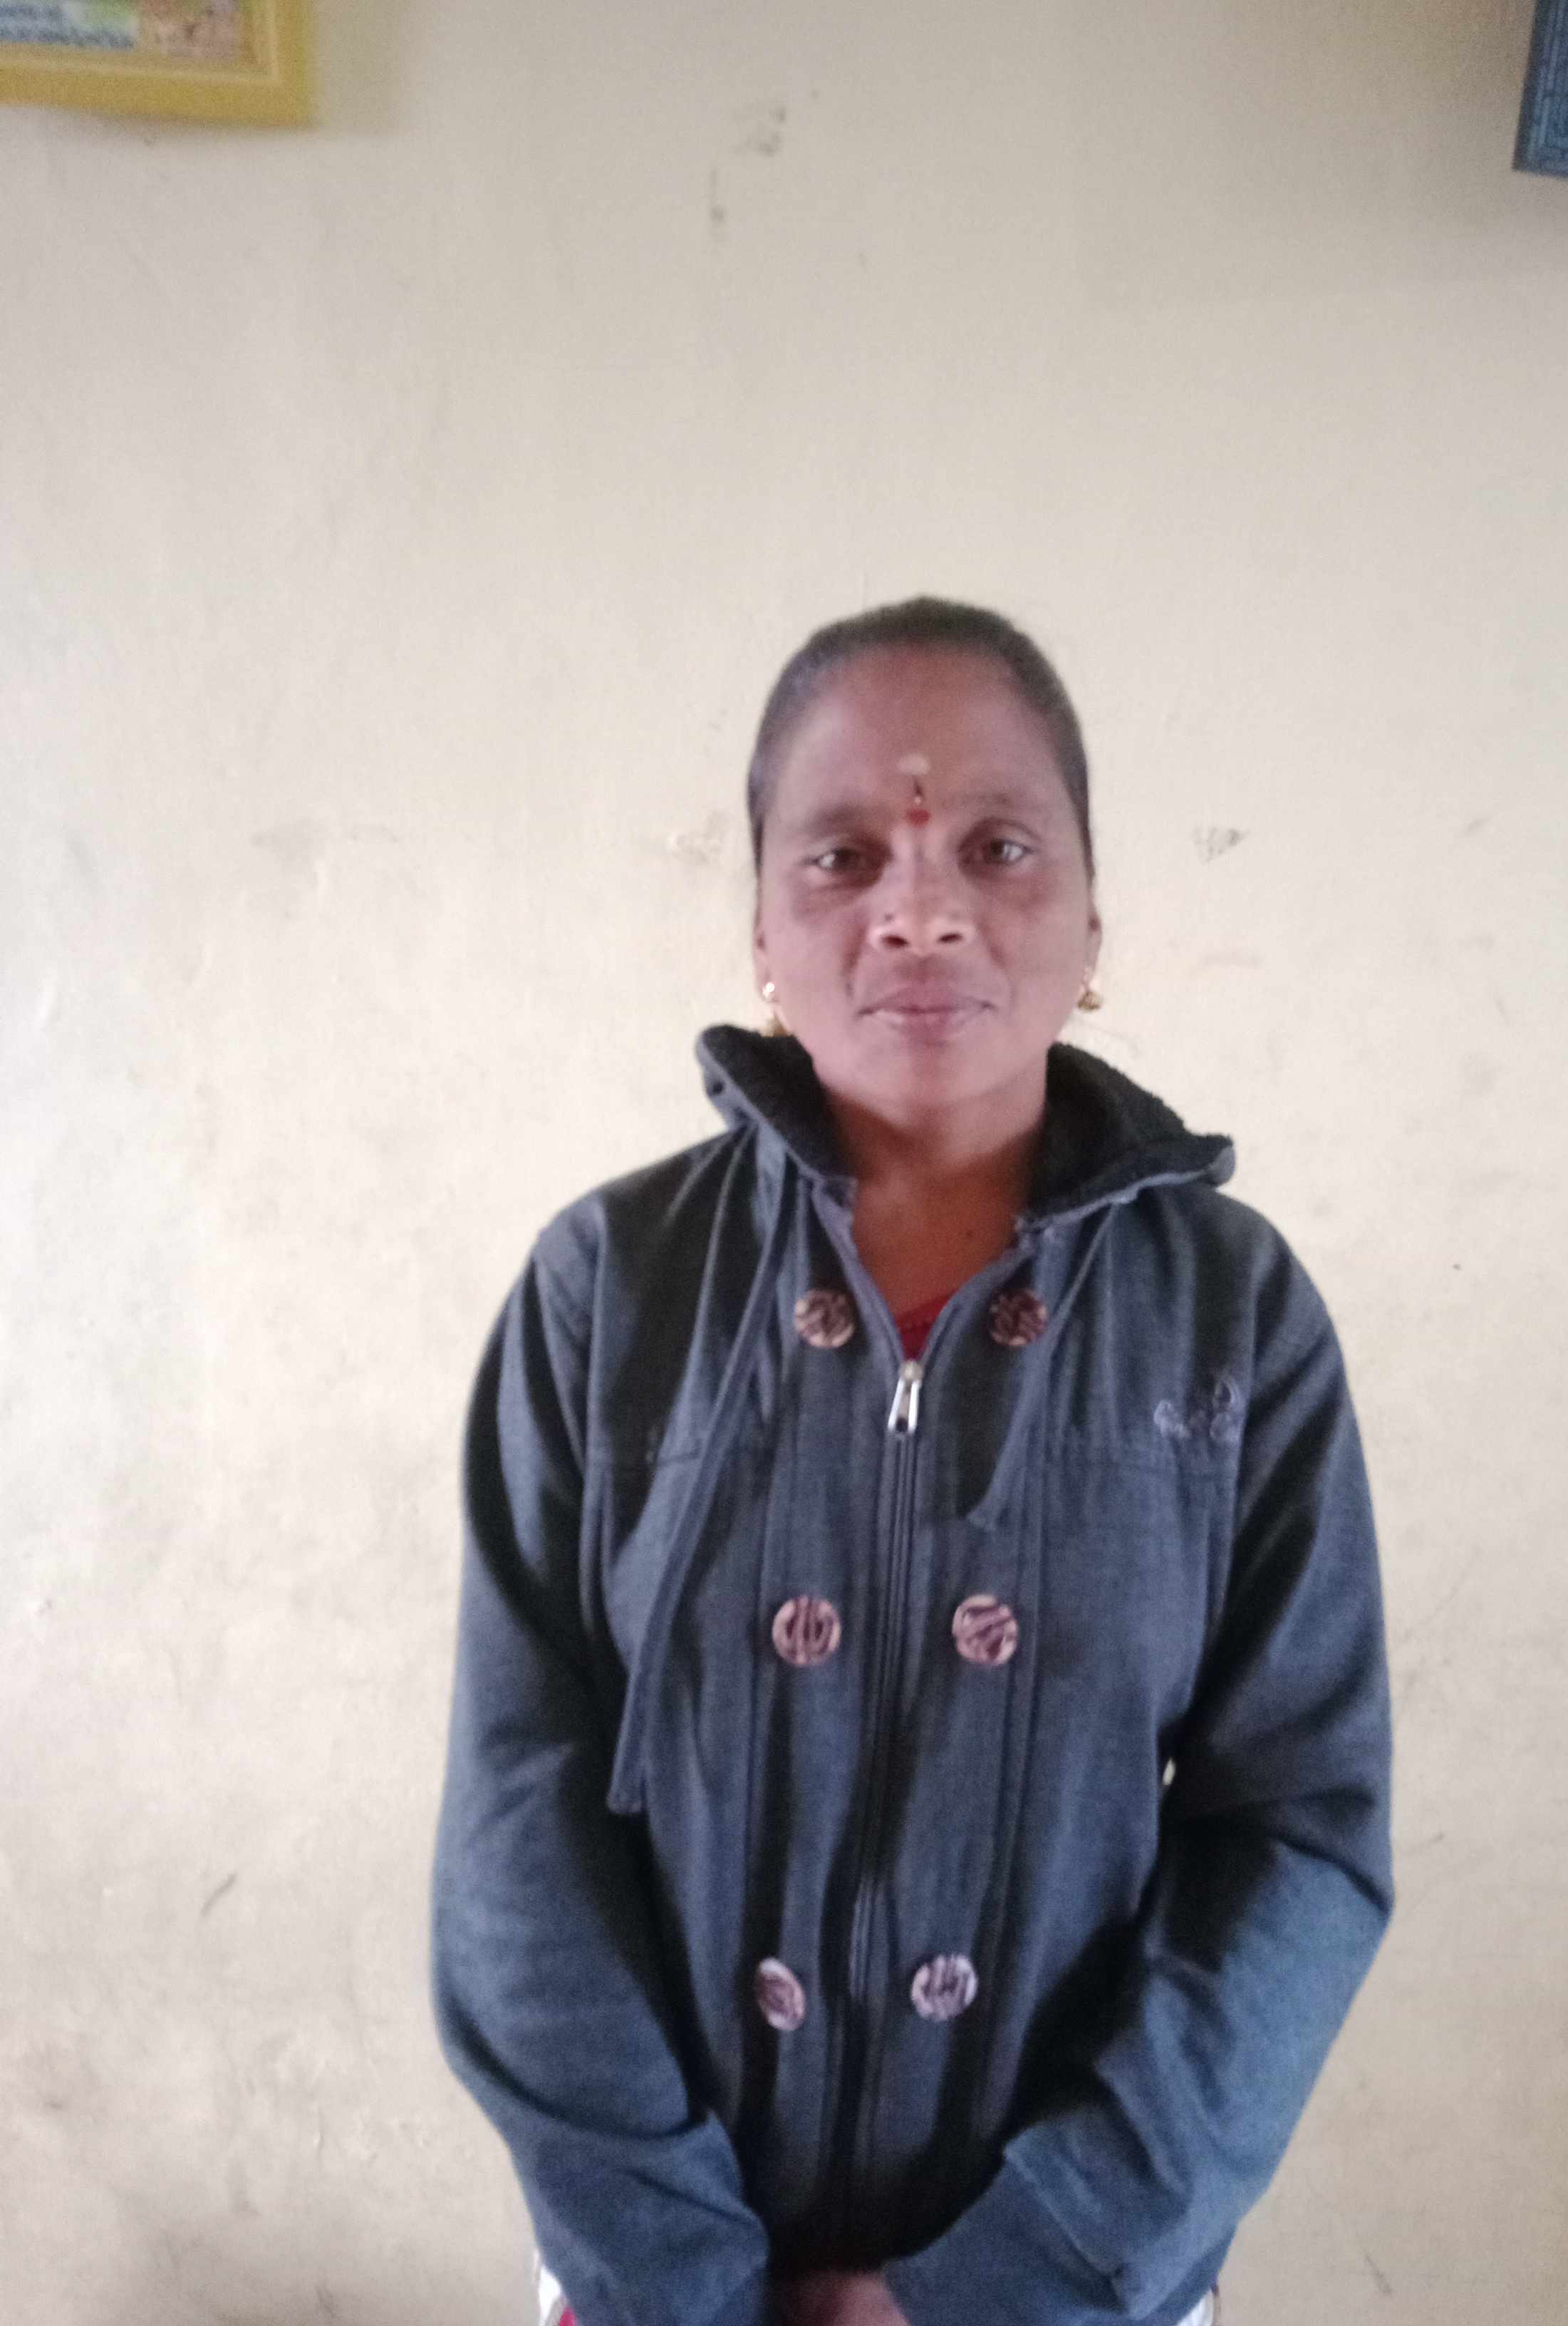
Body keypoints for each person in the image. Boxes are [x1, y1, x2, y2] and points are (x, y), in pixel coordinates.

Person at [430, 599, 1393, 2326]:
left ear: (1093, 917)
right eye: (844, 856)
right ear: (761, 929)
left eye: (998, 849)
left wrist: (1022, 2279)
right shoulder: (609, 1292)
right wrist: (680, 2277)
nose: (922, 910)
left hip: (1081, 2282)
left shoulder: (1233, 1319)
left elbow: (1298, 1837)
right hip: (657, 2281)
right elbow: (520, 1822)